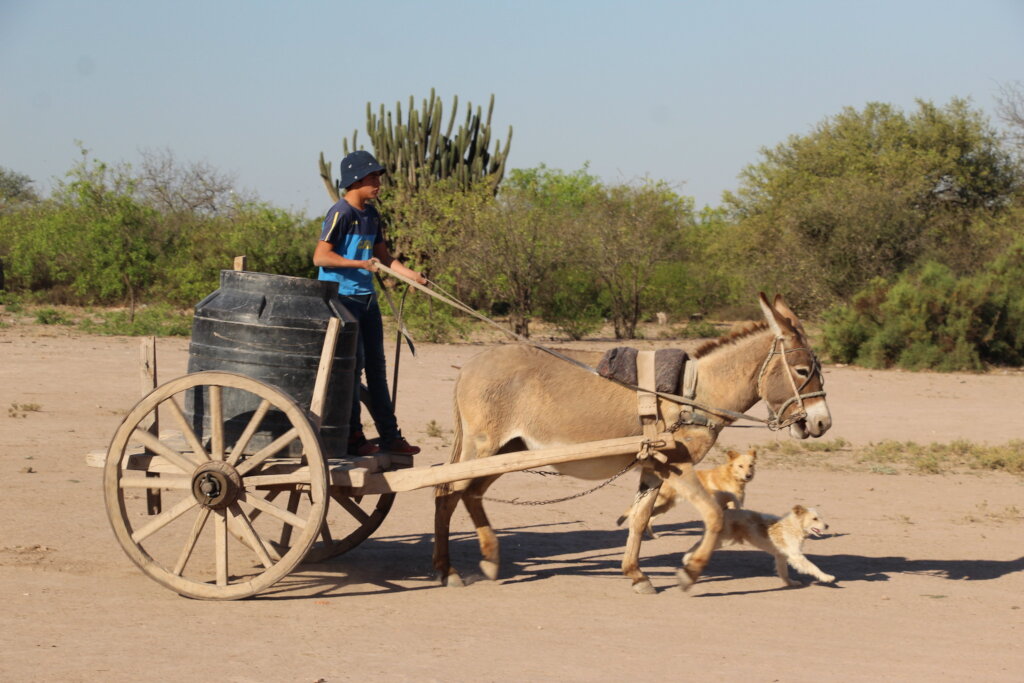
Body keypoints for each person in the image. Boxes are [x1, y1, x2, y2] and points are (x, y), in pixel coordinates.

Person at [313, 150, 425, 457]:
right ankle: (353, 436)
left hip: (366, 300)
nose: (378, 183)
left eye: (377, 177)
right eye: (372, 177)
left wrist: (411, 275)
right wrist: (359, 264)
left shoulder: (372, 215)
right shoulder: (341, 213)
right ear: (356, 180)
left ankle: (390, 436)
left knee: (377, 369)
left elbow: (385, 258)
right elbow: (321, 257)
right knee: (353, 368)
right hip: (342, 299)